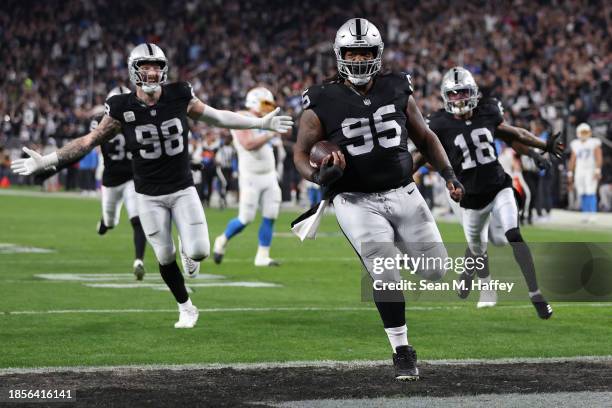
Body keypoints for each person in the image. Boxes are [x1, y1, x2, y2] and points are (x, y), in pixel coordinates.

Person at [11, 43, 293, 329]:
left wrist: (260, 124)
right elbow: (87, 142)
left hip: (182, 187)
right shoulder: (121, 107)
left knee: (198, 252)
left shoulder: (179, 94)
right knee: (163, 256)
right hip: (147, 194)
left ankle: (188, 248)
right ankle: (186, 307)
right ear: (134, 70)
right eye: (145, 66)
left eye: (156, 66)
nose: (152, 72)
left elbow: (217, 116)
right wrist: (47, 161)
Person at [293, 18, 464, 381]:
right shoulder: (320, 98)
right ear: (339, 55)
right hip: (356, 200)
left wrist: (448, 174)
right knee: (386, 274)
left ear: (378, 54)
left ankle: (392, 245)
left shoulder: (396, 86)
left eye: (365, 51)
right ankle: (402, 350)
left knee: (435, 271)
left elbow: (426, 136)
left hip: (404, 191)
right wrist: (317, 176)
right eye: (352, 52)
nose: (358, 59)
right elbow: (301, 153)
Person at [420, 66, 562, 320]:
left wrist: (538, 150)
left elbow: (514, 135)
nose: (459, 98)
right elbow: (423, 157)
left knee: (512, 234)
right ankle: (482, 284)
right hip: (469, 198)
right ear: (445, 96)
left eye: (463, 92)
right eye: (453, 94)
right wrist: (445, 176)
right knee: (477, 249)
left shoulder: (488, 110)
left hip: (499, 187)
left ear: (473, 92)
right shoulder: (439, 123)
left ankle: (536, 293)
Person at [213, 87, 284, 267]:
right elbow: (248, 143)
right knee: (246, 218)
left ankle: (262, 256)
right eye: (265, 103)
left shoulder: (263, 119)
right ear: (254, 101)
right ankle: (222, 239)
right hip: (251, 176)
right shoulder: (241, 117)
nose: (269, 108)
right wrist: (270, 133)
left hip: (269, 174)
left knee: (271, 214)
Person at [93, 85, 148, 280]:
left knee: (137, 219)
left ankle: (138, 260)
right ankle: (105, 223)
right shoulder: (104, 122)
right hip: (110, 181)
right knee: (111, 222)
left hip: (131, 178)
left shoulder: (132, 119)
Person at [568, 123, 602, 223]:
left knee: (590, 191)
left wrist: (597, 170)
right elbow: (572, 159)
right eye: (582, 132)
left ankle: (592, 213)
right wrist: (570, 173)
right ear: (578, 133)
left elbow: (598, 156)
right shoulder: (575, 144)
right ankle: (585, 213)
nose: (584, 134)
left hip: (590, 170)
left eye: (586, 132)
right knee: (581, 192)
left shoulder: (593, 142)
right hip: (580, 170)